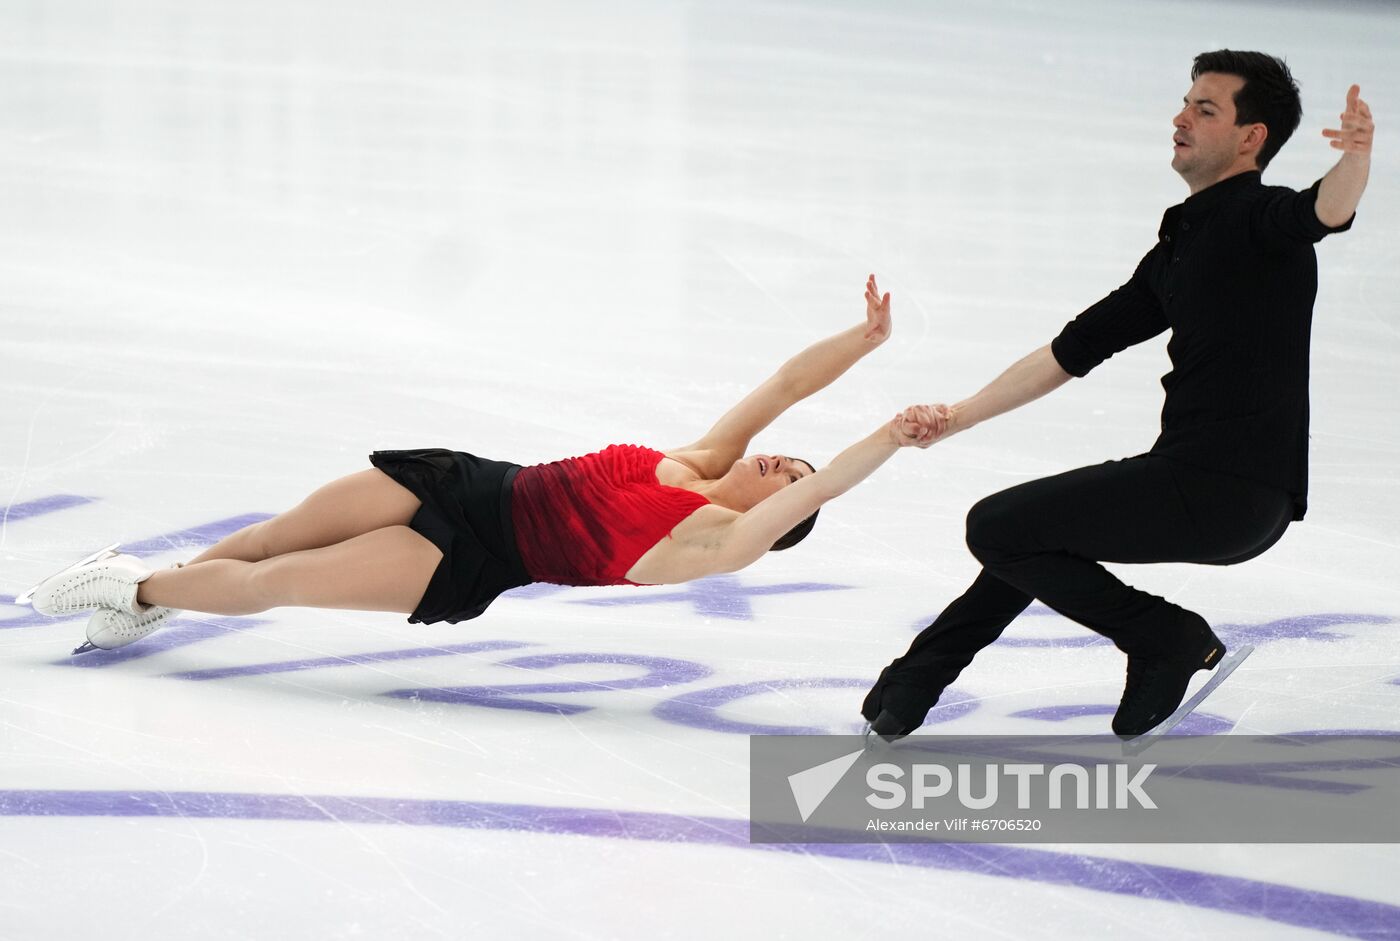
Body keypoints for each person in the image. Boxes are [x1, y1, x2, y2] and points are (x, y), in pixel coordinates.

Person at [863, 51, 1373, 740]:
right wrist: (954, 417)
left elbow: (1323, 210)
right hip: (1199, 483)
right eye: (1186, 102)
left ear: (1251, 138)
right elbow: (1070, 350)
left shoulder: (1261, 221)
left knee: (998, 526)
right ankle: (919, 680)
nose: (1180, 118)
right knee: (1030, 533)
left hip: (1229, 489)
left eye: (1205, 109)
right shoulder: (1180, 248)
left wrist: (1357, 158)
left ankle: (1167, 637)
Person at [28, 276, 945, 654]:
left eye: (789, 481)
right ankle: (158, 594)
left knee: (280, 580)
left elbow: (823, 485)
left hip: (471, 555)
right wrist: (863, 343)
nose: (786, 464)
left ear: (774, 515)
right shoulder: (704, 457)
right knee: (271, 534)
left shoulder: (716, 541)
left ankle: (134, 587)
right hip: (466, 481)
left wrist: (884, 441)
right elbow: (785, 382)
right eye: (785, 463)